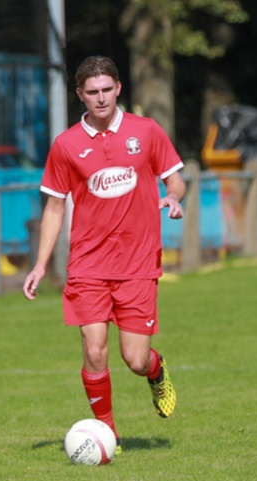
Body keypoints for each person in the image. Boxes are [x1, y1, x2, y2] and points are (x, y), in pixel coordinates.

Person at [23, 55, 185, 451]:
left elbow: (175, 180)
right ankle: (105, 433)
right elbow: (55, 207)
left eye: (106, 90)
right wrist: (41, 264)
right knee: (94, 351)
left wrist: (174, 199)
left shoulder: (145, 132)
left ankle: (156, 370)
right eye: (92, 92)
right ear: (80, 94)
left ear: (118, 89)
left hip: (138, 263)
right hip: (88, 264)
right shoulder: (66, 145)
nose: (100, 99)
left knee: (133, 358)